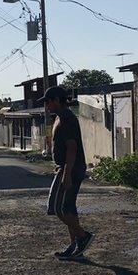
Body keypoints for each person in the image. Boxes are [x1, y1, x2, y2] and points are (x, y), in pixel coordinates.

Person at [41, 86, 93, 259]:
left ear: (56, 100)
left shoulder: (67, 118)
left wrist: (67, 173)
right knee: (68, 207)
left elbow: (72, 147)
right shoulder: (60, 117)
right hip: (65, 168)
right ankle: (75, 245)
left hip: (70, 168)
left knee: (57, 207)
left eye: (48, 102)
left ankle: (83, 237)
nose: (47, 106)